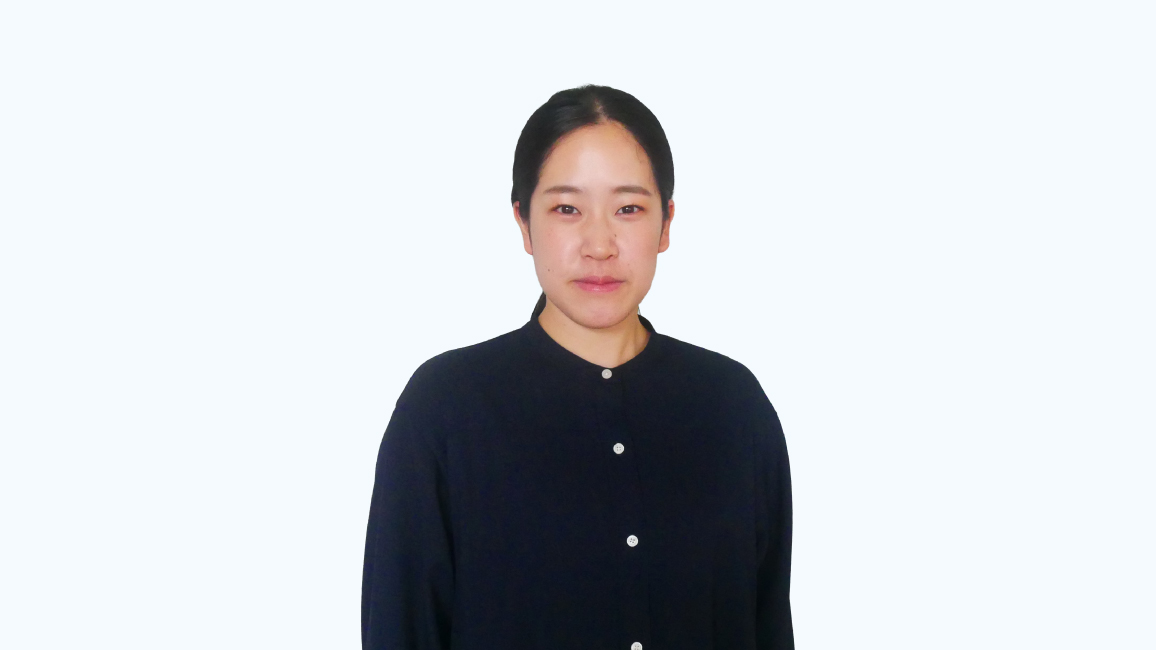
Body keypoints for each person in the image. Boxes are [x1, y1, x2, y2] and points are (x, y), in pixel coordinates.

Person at [362, 84, 793, 649]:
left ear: (666, 223)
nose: (599, 244)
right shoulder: (445, 409)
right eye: (567, 209)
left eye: (628, 209)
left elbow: (768, 625)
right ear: (523, 222)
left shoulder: (734, 406)